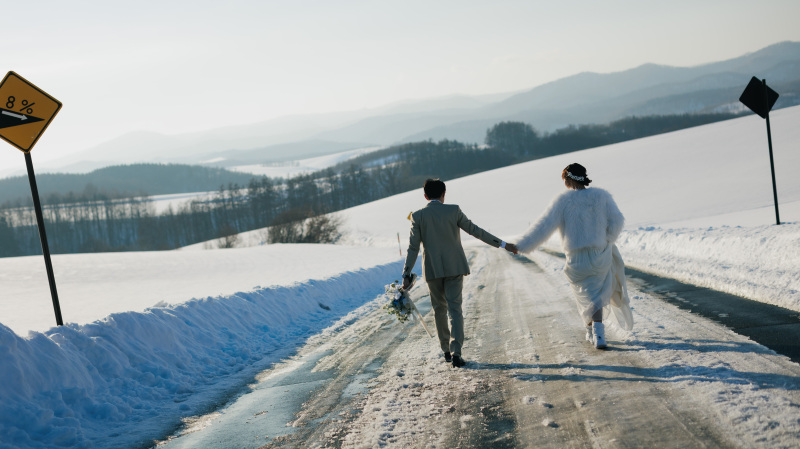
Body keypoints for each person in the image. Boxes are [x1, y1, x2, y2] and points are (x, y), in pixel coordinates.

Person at [515, 163, 633, 349]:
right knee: (597, 294)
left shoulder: (563, 201)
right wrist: (607, 238)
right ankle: (598, 334)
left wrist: (522, 246)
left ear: (568, 179)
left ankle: (592, 331)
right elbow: (617, 220)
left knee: (585, 295)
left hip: (576, 258)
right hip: (599, 254)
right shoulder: (601, 196)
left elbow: (544, 226)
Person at [402, 178, 518, 367]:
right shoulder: (453, 211)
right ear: (443, 194)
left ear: (425, 196)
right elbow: (476, 231)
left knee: (439, 310)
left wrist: (406, 274)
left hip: (432, 270)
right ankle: (457, 352)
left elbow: (413, 248)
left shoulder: (417, 216)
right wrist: (504, 244)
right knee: (455, 309)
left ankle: (446, 351)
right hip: (455, 267)